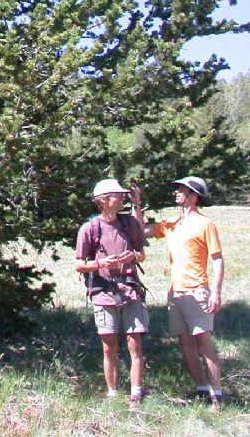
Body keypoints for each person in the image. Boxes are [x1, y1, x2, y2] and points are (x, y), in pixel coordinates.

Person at [132, 176, 224, 410]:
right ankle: (202, 389)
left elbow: (217, 259)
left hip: (198, 292)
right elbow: (142, 231)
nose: (177, 192)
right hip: (176, 293)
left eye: (182, 190)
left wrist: (216, 292)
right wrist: (136, 204)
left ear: (194, 196)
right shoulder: (171, 223)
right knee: (185, 343)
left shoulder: (206, 225)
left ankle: (218, 396)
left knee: (204, 343)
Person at [75, 178, 148, 410]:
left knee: (134, 342)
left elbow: (142, 253)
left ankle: (136, 393)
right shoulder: (90, 228)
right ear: (104, 200)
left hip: (130, 290)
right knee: (109, 346)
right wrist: (100, 263)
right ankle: (113, 394)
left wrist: (133, 258)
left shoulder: (129, 224)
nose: (122, 198)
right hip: (104, 292)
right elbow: (78, 264)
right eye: (118, 195)